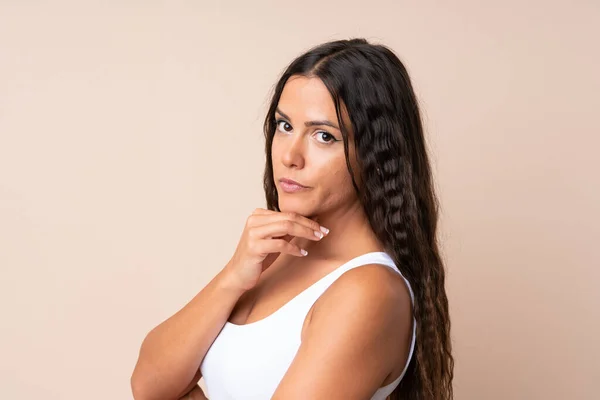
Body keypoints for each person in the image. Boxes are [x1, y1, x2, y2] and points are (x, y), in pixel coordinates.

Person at [131, 38, 454, 400]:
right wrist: (233, 276)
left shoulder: (369, 292)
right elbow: (147, 386)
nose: (290, 156)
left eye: (323, 136)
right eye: (285, 126)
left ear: (376, 154)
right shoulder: (273, 256)